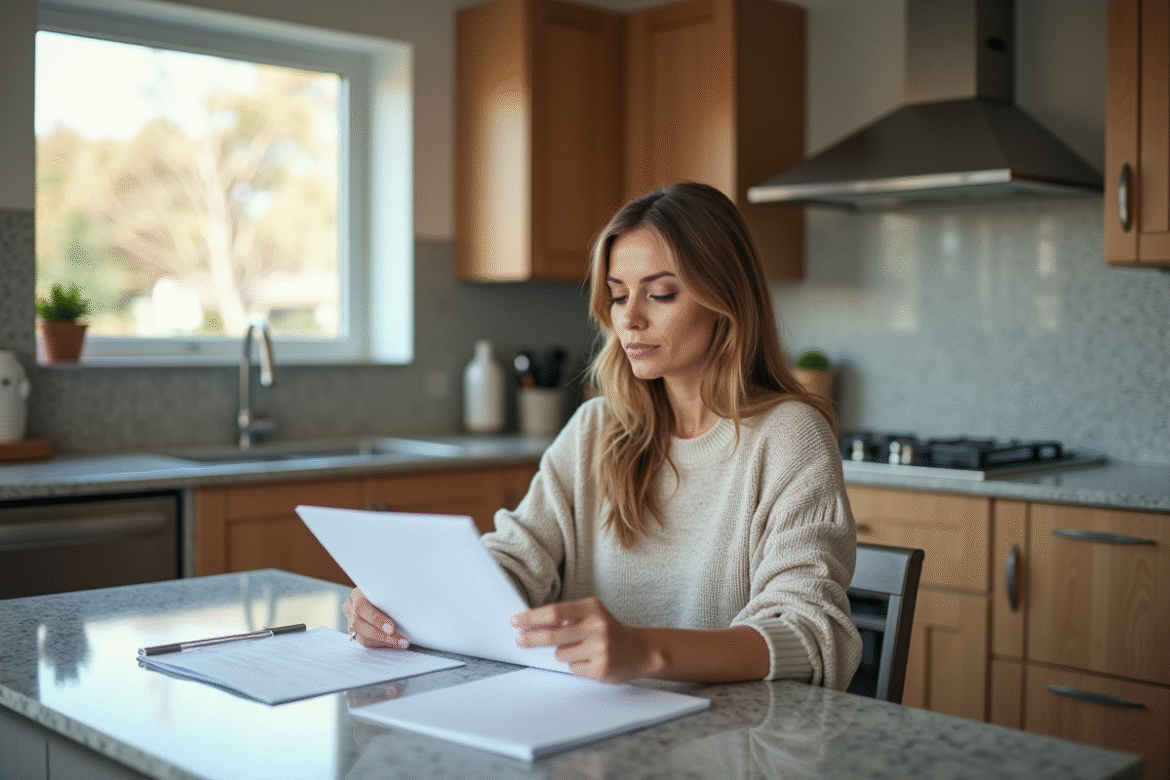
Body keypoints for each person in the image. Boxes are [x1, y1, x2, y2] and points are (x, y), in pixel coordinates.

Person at [345, 182, 862, 689]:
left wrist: (647, 652)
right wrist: (403, 602)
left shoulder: (789, 436)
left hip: (729, 730)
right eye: (617, 296)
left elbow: (809, 630)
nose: (629, 318)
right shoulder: (597, 428)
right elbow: (517, 560)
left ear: (724, 299)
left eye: (660, 294)